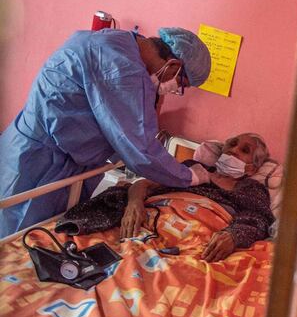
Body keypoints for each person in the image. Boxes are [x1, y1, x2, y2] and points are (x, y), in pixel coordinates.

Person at [0, 27, 212, 237]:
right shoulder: (125, 71)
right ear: (173, 64)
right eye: (180, 85)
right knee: (16, 232)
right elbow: (141, 149)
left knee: (38, 233)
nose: (174, 90)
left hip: (42, 150)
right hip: (39, 161)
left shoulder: (116, 41)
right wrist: (189, 176)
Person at [56, 133, 274, 263]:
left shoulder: (250, 188)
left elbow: (257, 219)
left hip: (195, 234)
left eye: (243, 150)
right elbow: (144, 183)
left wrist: (234, 236)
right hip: (149, 217)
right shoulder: (191, 168)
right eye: (232, 143)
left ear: (252, 168)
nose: (234, 150)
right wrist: (134, 204)